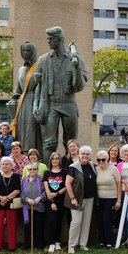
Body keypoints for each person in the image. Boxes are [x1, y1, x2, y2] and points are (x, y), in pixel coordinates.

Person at [33, 26, 87, 164]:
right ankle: (48, 171)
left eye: (51, 39)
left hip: (69, 104)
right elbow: (38, 85)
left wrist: (76, 68)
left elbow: (79, 86)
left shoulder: (75, 59)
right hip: (51, 105)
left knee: (71, 142)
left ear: (59, 40)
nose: (48, 41)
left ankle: (72, 170)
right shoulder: (43, 60)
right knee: (49, 143)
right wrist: (36, 105)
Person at [11, 41, 43, 155]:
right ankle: (22, 153)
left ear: (33, 51)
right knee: (21, 129)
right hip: (22, 103)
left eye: (28, 50)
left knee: (31, 129)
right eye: (23, 50)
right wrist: (15, 96)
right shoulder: (20, 70)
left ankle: (32, 153)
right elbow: (19, 89)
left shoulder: (39, 67)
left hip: (35, 100)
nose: (25, 53)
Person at [65, 146, 97, 253]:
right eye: (83, 153)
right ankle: (72, 245)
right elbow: (68, 183)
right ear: (79, 154)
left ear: (90, 155)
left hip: (89, 198)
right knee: (76, 222)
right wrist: (72, 198)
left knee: (86, 221)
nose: (85, 156)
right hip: (77, 199)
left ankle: (83, 244)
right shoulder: (73, 167)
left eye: (87, 154)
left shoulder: (92, 165)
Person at [0, 156, 22, 252]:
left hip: (11, 205)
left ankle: (12, 246)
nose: (4, 166)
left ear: (11, 166)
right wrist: (1, 198)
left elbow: (17, 190)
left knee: (12, 226)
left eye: (7, 164)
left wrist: (6, 198)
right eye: (3, 164)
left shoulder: (15, 176)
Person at [95, 150, 122, 248]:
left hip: (111, 198)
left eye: (103, 159)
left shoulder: (113, 169)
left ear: (107, 159)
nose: (101, 162)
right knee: (99, 220)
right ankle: (101, 241)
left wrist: (119, 200)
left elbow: (119, 184)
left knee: (106, 219)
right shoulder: (96, 169)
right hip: (99, 199)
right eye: (99, 160)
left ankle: (109, 241)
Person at [43, 152, 67, 253]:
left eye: (57, 159)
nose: (55, 160)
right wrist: (51, 200)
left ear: (59, 160)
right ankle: (51, 243)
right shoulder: (47, 173)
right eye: (53, 159)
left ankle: (57, 241)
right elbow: (46, 188)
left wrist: (57, 194)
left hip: (61, 200)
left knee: (59, 222)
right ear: (50, 161)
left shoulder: (64, 172)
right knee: (51, 222)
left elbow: (66, 186)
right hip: (50, 202)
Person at [21, 163, 46, 250]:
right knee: (27, 227)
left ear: (37, 170)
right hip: (27, 207)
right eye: (30, 169)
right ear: (27, 170)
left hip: (38, 207)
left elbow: (45, 191)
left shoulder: (41, 180)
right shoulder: (24, 180)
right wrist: (27, 199)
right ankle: (28, 244)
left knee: (38, 226)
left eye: (34, 169)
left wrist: (40, 198)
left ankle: (39, 244)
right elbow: (21, 193)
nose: (32, 171)